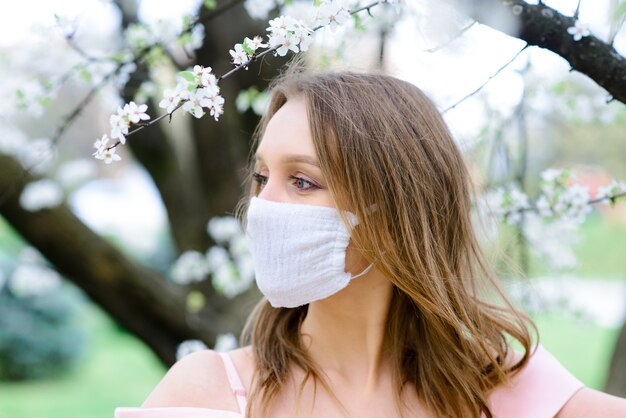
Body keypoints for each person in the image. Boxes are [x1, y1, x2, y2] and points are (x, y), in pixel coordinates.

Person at [115, 66, 626, 417]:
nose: (264, 207)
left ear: (394, 210)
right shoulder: (211, 392)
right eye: (261, 176)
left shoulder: (508, 388)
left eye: (302, 181)